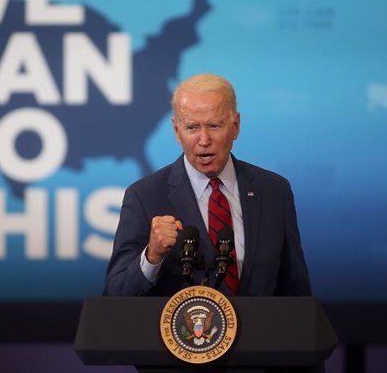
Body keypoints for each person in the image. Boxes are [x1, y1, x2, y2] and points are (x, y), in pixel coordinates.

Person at [104, 73, 312, 297]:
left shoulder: (273, 191)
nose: (204, 140)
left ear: (235, 126)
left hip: (261, 331)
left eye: (214, 126)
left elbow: (296, 293)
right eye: (192, 128)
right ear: (177, 131)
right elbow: (115, 295)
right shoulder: (144, 197)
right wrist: (151, 257)